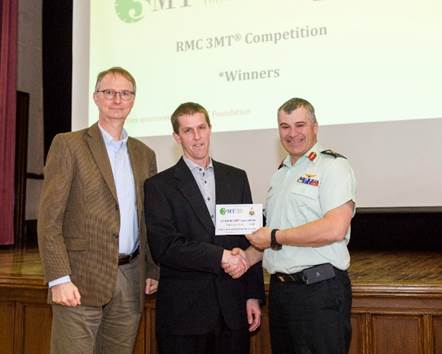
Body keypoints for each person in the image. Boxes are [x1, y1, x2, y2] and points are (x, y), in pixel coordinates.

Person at [37, 67, 159, 354]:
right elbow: (49, 219)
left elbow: (148, 218)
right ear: (95, 97)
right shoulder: (68, 145)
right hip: (79, 279)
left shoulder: (145, 154)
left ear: (133, 99)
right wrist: (59, 278)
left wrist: (153, 269)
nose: (117, 99)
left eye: (125, 93)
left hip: (130, 279)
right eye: (109, 92)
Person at [226, 97, 356, 354]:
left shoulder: (334, 166)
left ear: (315, 127)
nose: (292, 133)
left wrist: (274, 235)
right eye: (285, 127)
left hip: (319, 291)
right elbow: (276, 236)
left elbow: (335, 228)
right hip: (282, 294)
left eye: (300, 125)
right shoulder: (280, 173)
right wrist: (247, 256)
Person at [144, 102, 265, 354]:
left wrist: (252, 296)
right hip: (185, 316)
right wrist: (220, 256)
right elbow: (165, 248)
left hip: (232, 311)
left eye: (201, 127)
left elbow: (251, 240)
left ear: (210, 129)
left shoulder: (236, 177)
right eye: (188, 131)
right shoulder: (158, 186)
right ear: (177, 137)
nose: (197, 137)